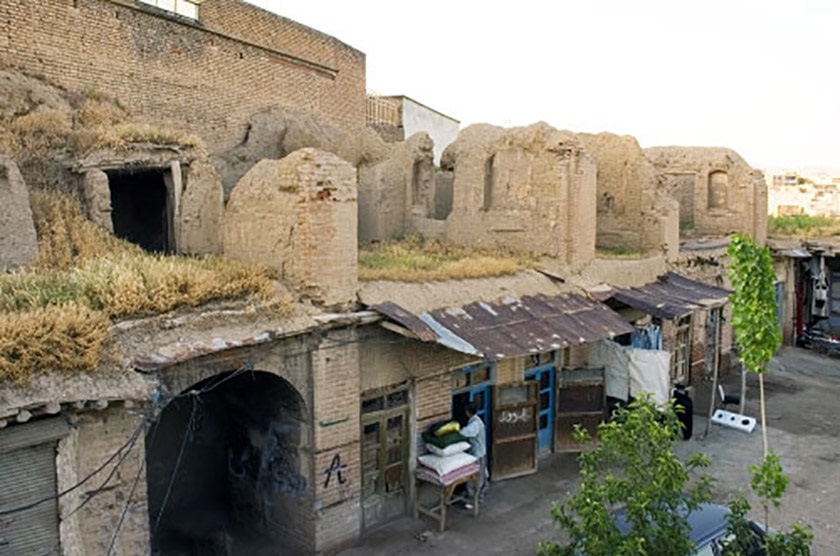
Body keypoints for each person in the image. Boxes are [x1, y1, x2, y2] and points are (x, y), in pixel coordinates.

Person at [459, 401, 487, 509]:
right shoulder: (476, 421)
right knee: (481, 476)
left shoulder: (475, 424)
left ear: (467, 412)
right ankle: (477, 495)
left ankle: (475, 499)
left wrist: (455, 432)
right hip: (480, 452)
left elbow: (464, 433)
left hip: (477, 454)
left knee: (476, 477)